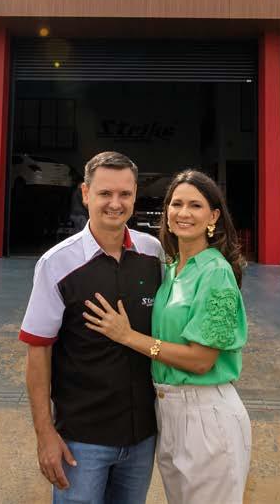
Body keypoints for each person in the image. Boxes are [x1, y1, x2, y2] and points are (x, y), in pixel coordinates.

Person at [83, 169, 250, 504]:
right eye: (176, 204)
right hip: (169, 413)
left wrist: (127, 336)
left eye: (195, 205)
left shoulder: (216, 273)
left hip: (206, 415)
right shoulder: (172, 270)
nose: (183, 213)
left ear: (213, 216)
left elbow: (201, 361)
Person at [19, 151, 165, 503]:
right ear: (85, 194)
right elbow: (38, 351)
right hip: (81, 442)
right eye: (105, 193)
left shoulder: (153, 254)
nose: (115, 203)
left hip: (142, 438)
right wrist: (44, 434)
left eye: (125, 194)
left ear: (135, 195)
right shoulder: (56, 264)